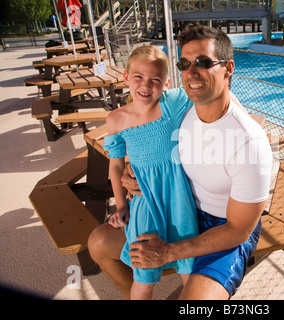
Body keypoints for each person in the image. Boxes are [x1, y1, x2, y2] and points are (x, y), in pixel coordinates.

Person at [88, 24, 273, 299]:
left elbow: (238, 231)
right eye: (184, 64)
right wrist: (130, 170)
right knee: (99, 243)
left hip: (225, 227)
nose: (192, 72)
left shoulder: (248, 144)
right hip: (174, 205)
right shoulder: (183, 108)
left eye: (203, 62)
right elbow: (146, 143)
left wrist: (167, 252)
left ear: (228, 67)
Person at [102, 45, 198, 300]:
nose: (146, 86)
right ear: (125, 77)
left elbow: (208, 91)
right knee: (143, 275)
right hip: (143, 201)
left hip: (178, 199)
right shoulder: (116, 119)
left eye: (155, 80)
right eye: (138, 77)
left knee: (189, 268)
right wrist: (121, 204)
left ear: (166, 83)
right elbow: (115, 164)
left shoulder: (172, 104)